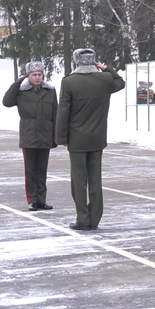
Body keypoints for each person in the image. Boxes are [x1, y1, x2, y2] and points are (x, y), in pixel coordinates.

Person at [56, 48, 125, 231]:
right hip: (97, 137)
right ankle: (95, 218)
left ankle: (83, 218)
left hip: (77, 139)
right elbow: (120, 82)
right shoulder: (105, 80)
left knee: (79, 180)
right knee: (95, 179)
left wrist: (61, 137)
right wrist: (106, 68)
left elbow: (63, 112)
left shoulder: (69, 82)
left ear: (76, 61)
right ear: (94, 61)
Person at [3, 61, 58, 211]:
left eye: (40, 74)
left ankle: (42, 199)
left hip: (45, 135)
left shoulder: (50, 91)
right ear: (28, 76)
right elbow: (6, 102)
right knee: (30, 171)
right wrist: (17, 83)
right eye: (34, 75)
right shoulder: (21, 91)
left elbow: (55, 115)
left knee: (42, 171)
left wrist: (55, 136)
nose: (37, 78)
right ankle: (32, 200)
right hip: (29, 136)